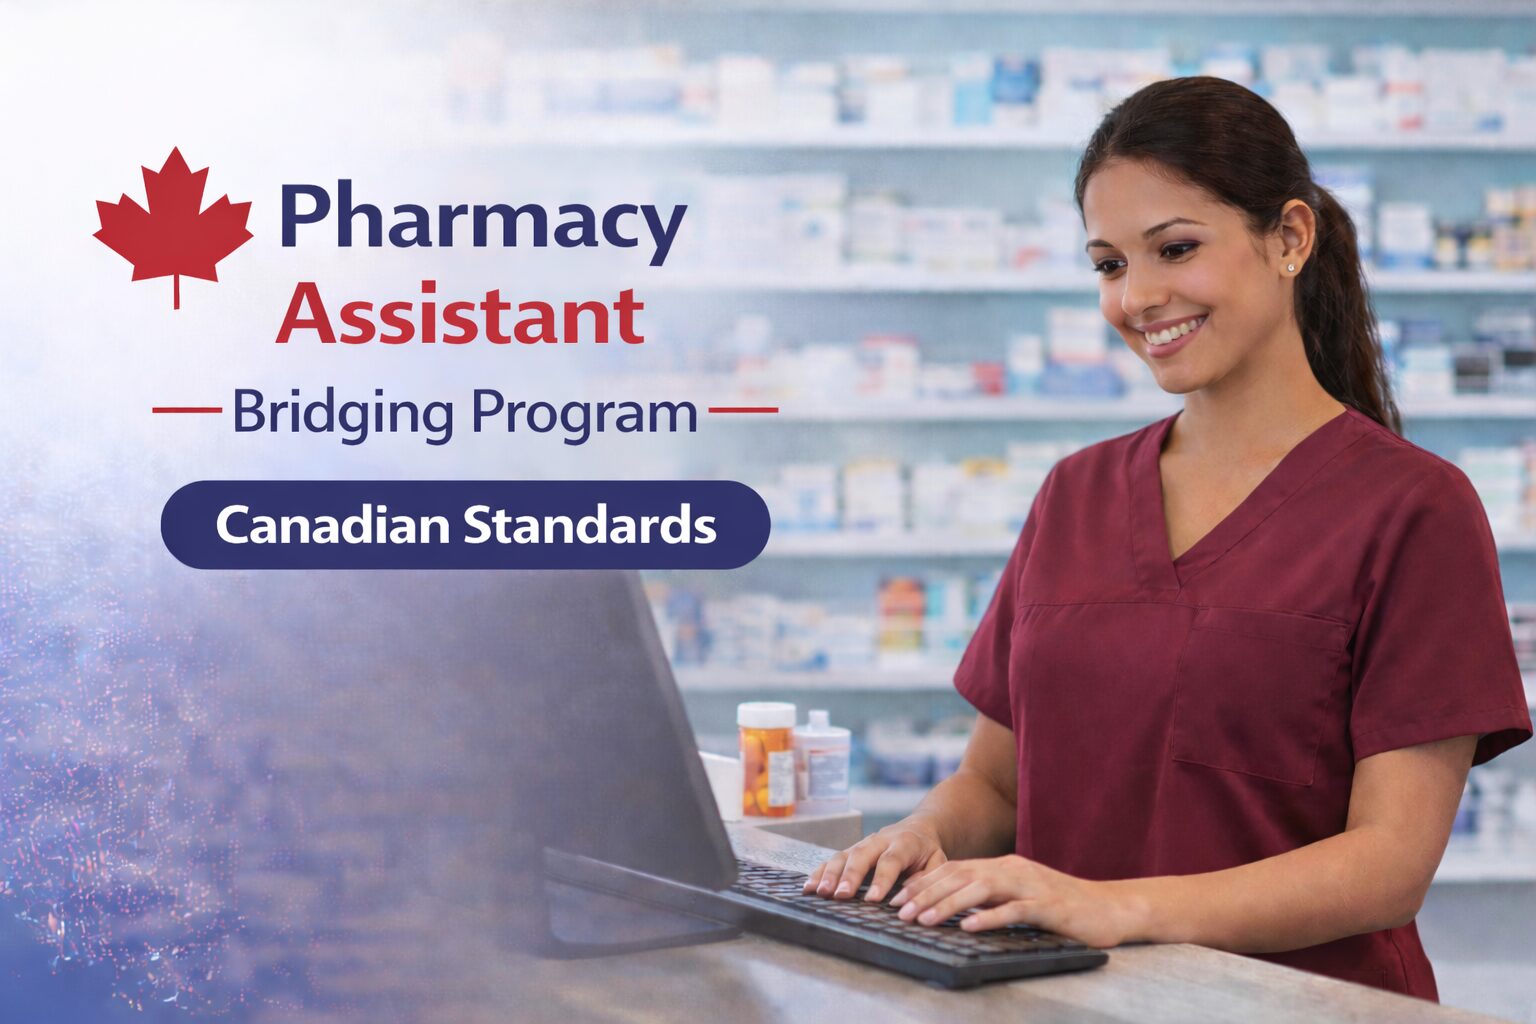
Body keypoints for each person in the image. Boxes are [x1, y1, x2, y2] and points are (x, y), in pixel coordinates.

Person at [803, 75, 1532, 1001]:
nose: (1138, 298)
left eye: (1174, 249)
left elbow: (1389, 864)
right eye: (1109, 264)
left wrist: (1119, 906)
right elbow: (995, 788)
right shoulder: (1076, 493)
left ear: (1290, 239)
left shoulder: (1413, 509)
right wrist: (921, 835)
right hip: (1066, 997)